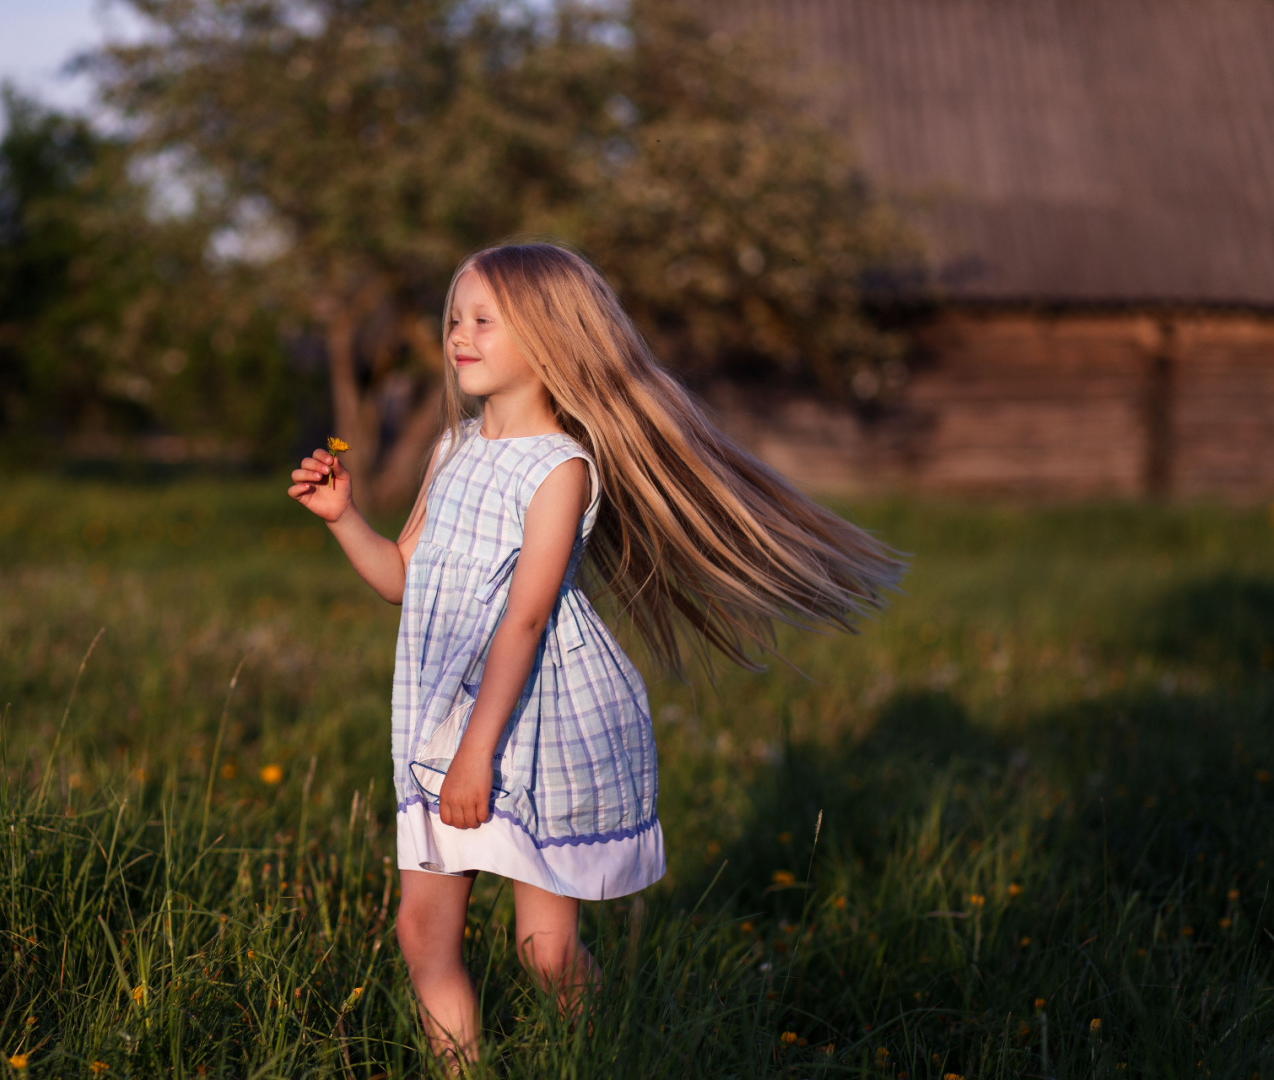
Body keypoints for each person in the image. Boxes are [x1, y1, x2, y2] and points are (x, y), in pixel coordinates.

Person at [286, 241, 902, 1067]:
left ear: (548, 341)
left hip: (536, 729)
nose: (459, 337)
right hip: (442, 724)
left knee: (543, 952)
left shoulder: (561, 468)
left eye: (484, 322)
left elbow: (525, 621)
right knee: (421, 938)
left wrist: (479, 755)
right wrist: (342, 518)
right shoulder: (452, 450)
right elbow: (401, 579)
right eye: (454, 319)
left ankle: (610, 1054)